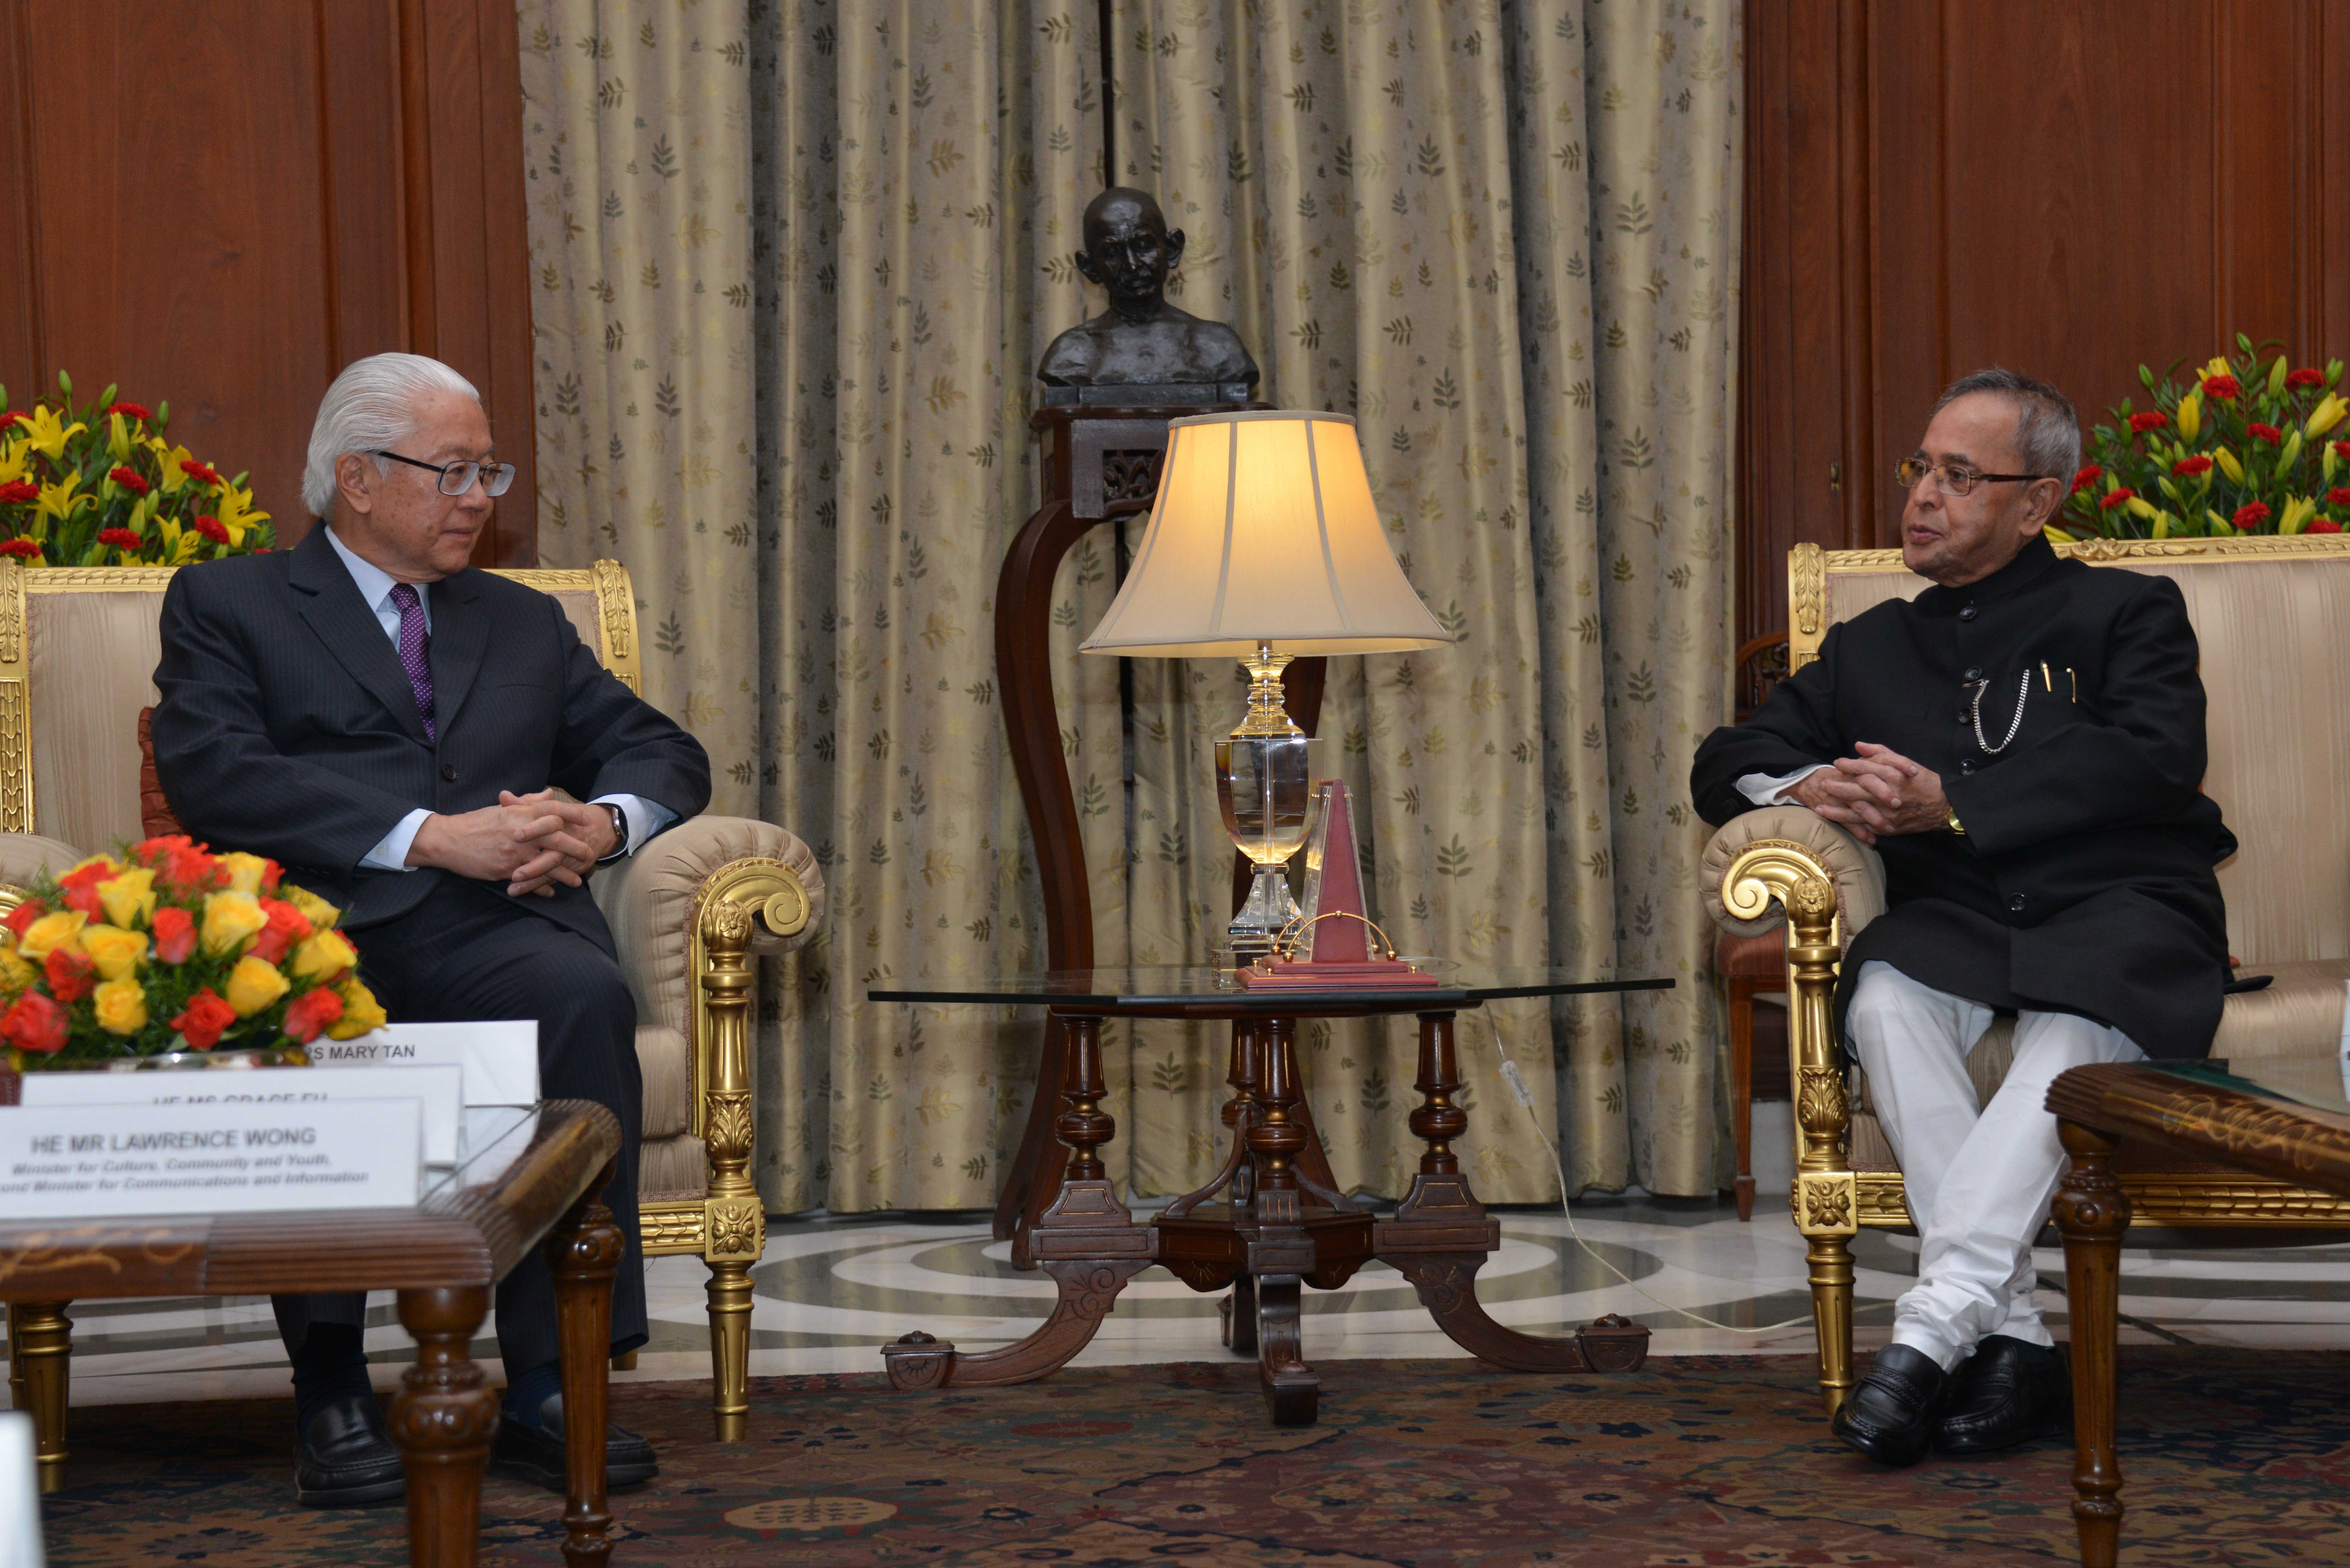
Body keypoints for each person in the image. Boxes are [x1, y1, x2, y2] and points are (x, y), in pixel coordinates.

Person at [151, 352, 710, 1505]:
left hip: (492, 927)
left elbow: (662, 753)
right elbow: (216, 772)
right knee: (290, 1011)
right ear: (357, 477)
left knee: (582, 994)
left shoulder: (518, 618)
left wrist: (601, 824)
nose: (479, 497)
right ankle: (334, 1388)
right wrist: (423, 832)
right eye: (454, 470)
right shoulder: (230, 603)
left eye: (488, 470)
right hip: (319, 925)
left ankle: (554, 1381)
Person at [1690, 369, 2234, 1466]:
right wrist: (1806, 791)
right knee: (1884, 994)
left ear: (2037, 501)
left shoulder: (2128, 609)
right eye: (1920, 470)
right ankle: (2019, 1334)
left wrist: (1957, 802)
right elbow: (1728, 757)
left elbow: (2158, 760)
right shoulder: (1872, 642)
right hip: (1962, 920)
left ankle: (1934, 1327)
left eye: (1958, 475)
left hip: (2122, 907)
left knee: (2072, 1031)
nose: (1923, 496)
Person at [1037, 186, 1259, 392]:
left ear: (1172, 249)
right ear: (1090, 267)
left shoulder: (1219, 348)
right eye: (1113, 252)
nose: (1132, 265)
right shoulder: (1071, 354)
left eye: (1144, 246)